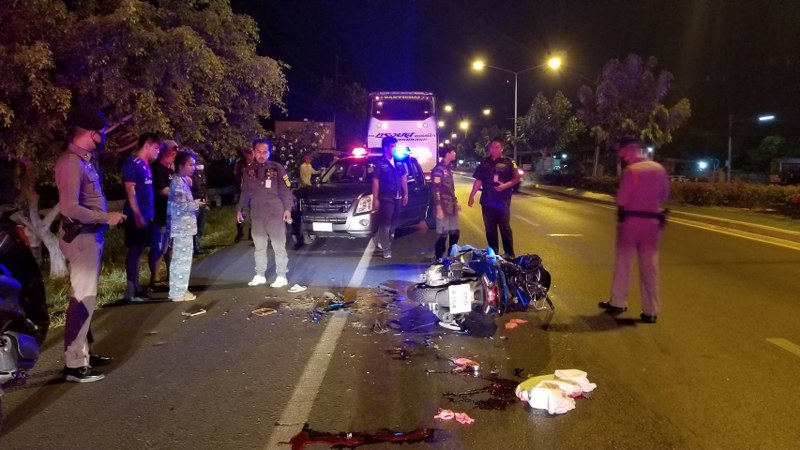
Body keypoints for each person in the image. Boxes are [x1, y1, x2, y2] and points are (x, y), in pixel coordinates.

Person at [55, 107, 126, 382]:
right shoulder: (71, 163)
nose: (104, 137)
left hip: (90, 235)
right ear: (93, 133)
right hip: (81, 237)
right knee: (83, 298)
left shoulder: (84, 160)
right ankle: (75, 364)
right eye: (103, 133)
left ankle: (85, 351)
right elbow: (70, 207)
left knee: (87, 296)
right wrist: (106, 217)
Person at [598, 138, 671, 323]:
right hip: (653, 223)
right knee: (650, 266)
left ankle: (618, 301)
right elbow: (664, 195)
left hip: (631, 222)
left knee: (624, 262)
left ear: (630, 150)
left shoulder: (631, 171)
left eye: (622, 152)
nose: (622, 156)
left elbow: (622, 200)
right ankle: (651, 311)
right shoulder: (659, 169)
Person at [236, 138, 294, 288]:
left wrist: (287, 208)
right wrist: (239, 209)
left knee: (278, 245)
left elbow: (285, 190)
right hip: (257, 214)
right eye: (258, 152)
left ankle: (281, 275)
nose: (261, 155)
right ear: (253, 152)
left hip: (275, 212)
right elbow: (245, 192)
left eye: (265, 152)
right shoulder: (248, 170)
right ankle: (260, 274)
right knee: (259, 246)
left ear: (269, 152)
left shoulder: (277, 167)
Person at [122, 133, 160, 302]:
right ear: (147, 145)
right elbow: (130, 191)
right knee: (135, 250)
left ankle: (137, 287)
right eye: (156, 148)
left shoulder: (146, 165)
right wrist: (137, 214)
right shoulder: (132, 163)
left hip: (147, 214)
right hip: (136, 215)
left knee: (140, 251)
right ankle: (131, 291)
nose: (157, 152)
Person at [468, 138, 521, 257]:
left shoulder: (509, 162)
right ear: (489, 148)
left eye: (497, 147)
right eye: (492, 147)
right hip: (487, 201)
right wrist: (472, 196)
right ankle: (493, 254)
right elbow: (478, 180)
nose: (494, 149)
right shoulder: (484, 162)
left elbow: (517, 178)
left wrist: (505, 186)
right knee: (490, 229)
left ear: (502, 148)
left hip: (502, 201)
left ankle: (509, 254)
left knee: (505, 228)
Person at [168, 151, 202, 301]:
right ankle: (178, 293)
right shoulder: (177, 183)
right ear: (180, 166)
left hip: (184, 228)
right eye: (190, 164)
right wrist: (195, 204)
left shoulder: (181, 181)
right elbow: (177, 207)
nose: (193, 167)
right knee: (181, 261)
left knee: (182, 261)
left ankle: (179, 290)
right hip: (182, 229)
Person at [148, 139, 178, 290]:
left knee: (170, 246)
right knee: (159, 247)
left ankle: (171, 275)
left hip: (171, 214)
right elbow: (162, 190)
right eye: (173, 151)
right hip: (160, 214)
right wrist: (180, 193)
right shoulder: (156, 169)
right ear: (166, 152)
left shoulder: (170, 170)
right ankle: (155, 279)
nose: (175, 154)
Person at [371, 136, 408, 259]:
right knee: (385, 223)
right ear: (386, 148)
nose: (395, 148)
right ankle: (386, 249)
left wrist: (406, 193)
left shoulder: (399, 161)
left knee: (394, 223)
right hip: (386, 197)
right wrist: (376, 198)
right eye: (392, 146)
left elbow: (403, 178)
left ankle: (384, 238)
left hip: (398, 197)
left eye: (395, 146)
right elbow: (376, 181)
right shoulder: (379, 163)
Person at [431, 144, 460, 259]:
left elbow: (451, 189)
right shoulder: (439, 169)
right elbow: (436, 189)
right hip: (443, 206)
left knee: (455, 233)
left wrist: (456, 202)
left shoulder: (448, 168)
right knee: (442, 235)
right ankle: (438, 258)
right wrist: (438, 208)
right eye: (453, 151)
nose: (455, 153)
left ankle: (451, 256)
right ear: (448, 154)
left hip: (451, 206)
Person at [233, 147, 254, 243]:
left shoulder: (256, 164)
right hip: (243, 192)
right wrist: (240, 183)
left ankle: (251, 232)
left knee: (253, 212)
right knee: (241, 212)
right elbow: (236, 175)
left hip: (254, 192)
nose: (251, 155)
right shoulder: (240, 164)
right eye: (248, 153)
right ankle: (240, 232)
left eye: (251, 153)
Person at [191, 152, 210, 255]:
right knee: (194, 226)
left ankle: (198, 246)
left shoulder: (202, 175)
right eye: (198, 163)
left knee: (201, 225)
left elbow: (205, 189)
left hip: (202, 202)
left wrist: (207, 203)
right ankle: (195, 247)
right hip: (195, 202)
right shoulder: (192, 176)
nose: (200, 165)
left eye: (201, 163)